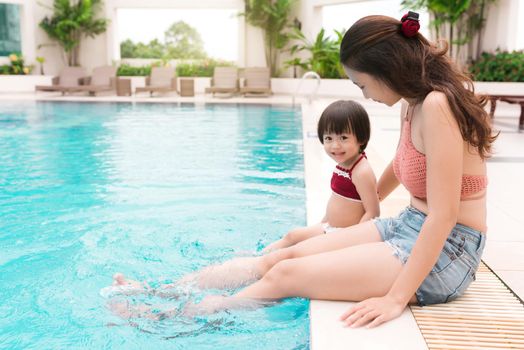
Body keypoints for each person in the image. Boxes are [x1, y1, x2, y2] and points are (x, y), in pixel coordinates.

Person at [109, 12, 496, 328]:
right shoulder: (415, 102)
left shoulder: (436, 105)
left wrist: (396, 298)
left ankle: (171, 320)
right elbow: (405, 162)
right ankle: (163, 290)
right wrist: (369, 204)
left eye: (363, 84)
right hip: (408, 225)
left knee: (284, 278)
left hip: (449, 252)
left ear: (387, 70)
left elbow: (444, 215)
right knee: (279, 257)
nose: (365, 95)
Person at [263, 100, 379, 252]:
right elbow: (337, 201)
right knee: (292, 236)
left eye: (343, 138)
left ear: (361, 138)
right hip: (330, 227)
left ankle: (263, 263)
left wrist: (353, 240)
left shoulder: (361, 171)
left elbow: (373, 212)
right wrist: (321, 225)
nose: (335, 145)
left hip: (345, 235)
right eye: (328, 138)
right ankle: (259, 256)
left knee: (300, 251)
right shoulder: (344, 164)